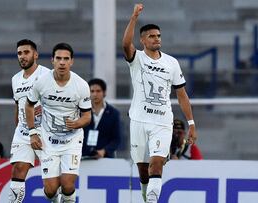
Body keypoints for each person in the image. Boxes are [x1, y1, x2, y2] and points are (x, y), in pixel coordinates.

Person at [122, 4, 197, 202]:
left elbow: (182, 94)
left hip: (162, 122)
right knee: (142, 169)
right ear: (143, 40)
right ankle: (147, 197)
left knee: (156, 164)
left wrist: (191, 124)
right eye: (152, 36)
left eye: (158, 36)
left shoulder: (171, 63)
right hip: (138, 119)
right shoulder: (136, 58)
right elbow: (125, 45)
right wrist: (134, 17)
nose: (157, 39)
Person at [25, 42, 91, 203]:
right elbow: (29, 105)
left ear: (71, 61)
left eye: (66, 59)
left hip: (72, 140)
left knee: (68, 184)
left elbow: (87, 116)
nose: (62, 62)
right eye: (58, 58)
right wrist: (33, 132)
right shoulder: (41, 82)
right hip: (48, 141)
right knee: (50, 189)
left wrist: (77, 123)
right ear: (52, 60)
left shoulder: (81, 85)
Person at [8, 39, 50, 203]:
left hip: (45, 131)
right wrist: (18, 126)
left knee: (51, 181)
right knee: (18, 169)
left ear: (36, 54)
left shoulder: (46, 74)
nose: (22, 56)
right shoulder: (15, 79)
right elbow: (18, 105)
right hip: (23, 132)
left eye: (26, 52)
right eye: (19, 53)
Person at [82, 78, 122, 159]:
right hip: (84, 157)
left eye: (98, 91)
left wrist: (104, 151)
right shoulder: (82, 112)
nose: (95, 94)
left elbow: (116, 139)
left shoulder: (114, 113)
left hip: (105, 158)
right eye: (92, 91)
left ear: (104, 93)